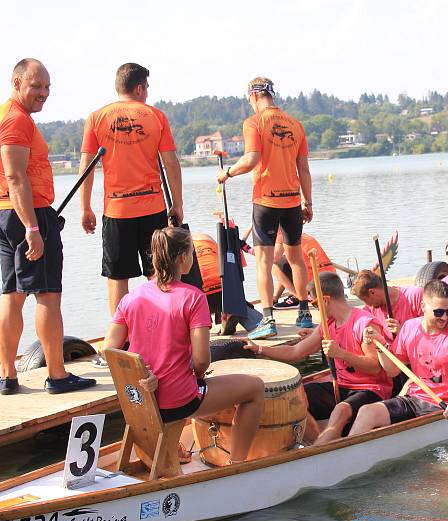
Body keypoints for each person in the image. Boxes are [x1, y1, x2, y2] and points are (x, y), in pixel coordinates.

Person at [105, 227, 263, 463]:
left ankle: (176, 445)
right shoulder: (193, 297)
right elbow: (201, 360)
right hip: (178, 400)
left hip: (141, 399)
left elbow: (109, 350)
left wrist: (143, 373)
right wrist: (196, 376)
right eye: (191, 252)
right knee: (255, 388)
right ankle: (237, 464)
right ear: (182, 258)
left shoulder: (131, 298)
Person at [0, 59, 96, 395]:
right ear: (16, 82)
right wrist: (32, 227)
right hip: (27, 215)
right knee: (47, 295)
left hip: (6, 215)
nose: (43, 93)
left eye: (47, 87)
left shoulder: (7, 115)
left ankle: (8, 376)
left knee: (12, 295)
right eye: (36, 86)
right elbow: (15, 175)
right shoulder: (15, 119)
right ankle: (57, 375)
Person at [79, 63, 183, 316]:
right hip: (153, 207)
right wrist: (177, 204)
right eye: (146, 87)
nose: (147, 93)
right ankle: (162, 329)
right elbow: (170, 162)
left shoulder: (96, 118)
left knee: (117, 278)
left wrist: (85, 208)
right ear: (138, 88)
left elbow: (87, 166)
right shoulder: (156, 116)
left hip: (117, 210)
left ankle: (119, 339)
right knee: (158, 271)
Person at [244, 272, 392, 445]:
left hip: (372, 388)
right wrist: (261, 349)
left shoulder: (364, 324)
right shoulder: (327, 325)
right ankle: (317, 445)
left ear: (325, 300)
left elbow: (375, 367)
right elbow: (295, 352)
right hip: (343, 385)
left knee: (341, 410)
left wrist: (342, 354)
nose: (315, 308)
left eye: (314, 303)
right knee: (293, 400)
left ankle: (319, 450)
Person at [217, 77, 313, 339]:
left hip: (266, 200)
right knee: (296, 259)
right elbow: (303, 168)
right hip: (292, 199)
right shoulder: (296, 125)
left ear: (254, 96)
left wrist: (228, 173)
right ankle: (304, 314)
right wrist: (308, 201)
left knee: (263, 261)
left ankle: (268, 319)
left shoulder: (254, 123)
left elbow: (251, 160)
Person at [348, 280, 448, 435]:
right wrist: (380, 346)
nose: (444, 318)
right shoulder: (409, 327)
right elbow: (392, 371)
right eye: (438, 312)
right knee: (367, 411)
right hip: (415, 399)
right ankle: (344, 455)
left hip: (445, 406)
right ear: (423, 306)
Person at [350, 269, 423, 337]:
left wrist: (403, 332)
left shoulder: (415, 296)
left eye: (365, 299)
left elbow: (432, 334)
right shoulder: (369, 310)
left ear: (372, 292)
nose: (367, 304)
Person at [272, 232, 335, 309]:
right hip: (330, 277)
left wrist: (255, 251)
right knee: (283, 265)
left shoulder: (281, 235)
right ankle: (296, 295)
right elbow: (284, 272)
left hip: (317, 279)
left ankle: (298, 297)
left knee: (273, 265)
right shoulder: (299, 233)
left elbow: (274, 259)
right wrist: (276, 298)